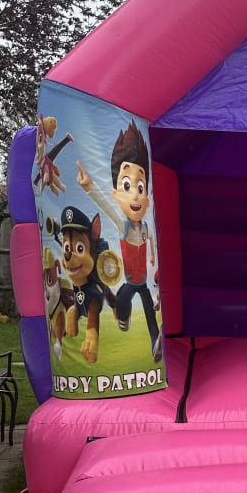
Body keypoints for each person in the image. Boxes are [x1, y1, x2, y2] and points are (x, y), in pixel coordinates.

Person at [76, 120, 161, 361]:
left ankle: (155, 341)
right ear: (116, 192)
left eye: (140, 187)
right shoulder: (123, 226)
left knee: (149, 311)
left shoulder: (146, 226)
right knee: (122, 302)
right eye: (127, 185)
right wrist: (89, 186)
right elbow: (107, 206)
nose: (135, 195)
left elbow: (152, 238)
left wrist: (152, 254)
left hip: (142, 282)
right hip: (130, 281)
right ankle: (123, 317)